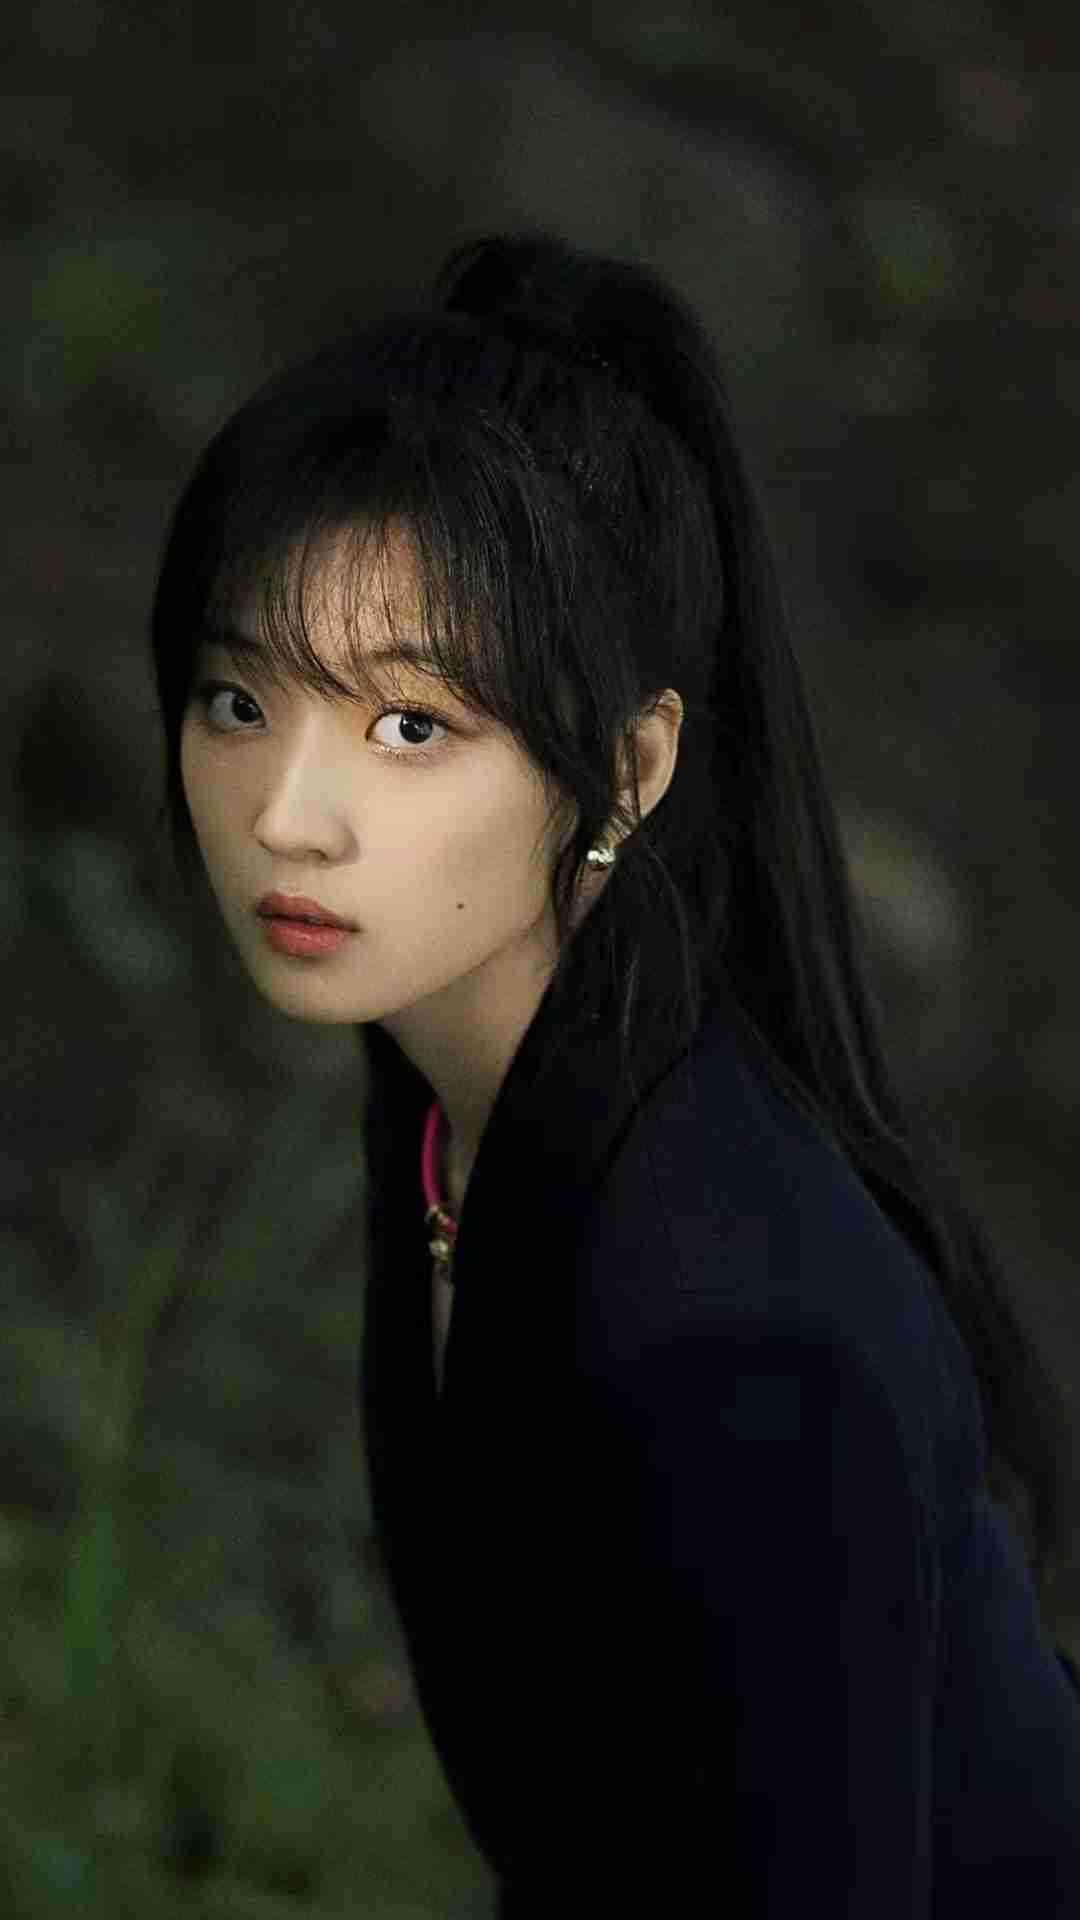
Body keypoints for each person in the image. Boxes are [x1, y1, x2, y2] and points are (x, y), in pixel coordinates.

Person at [150, 228, 1080, 1912]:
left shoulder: (737, 1331)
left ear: (630, 769)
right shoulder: (467, 1110)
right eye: (237, 699)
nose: (289, 814)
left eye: (410, 726)